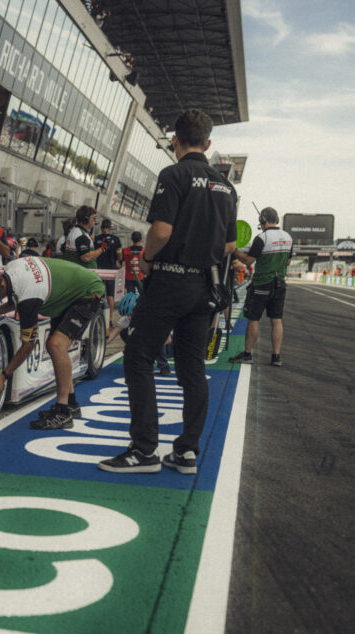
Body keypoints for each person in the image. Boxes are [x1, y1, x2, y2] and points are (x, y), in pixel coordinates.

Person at [98, 109, 237, 475]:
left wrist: (146, 261)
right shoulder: (227, 187)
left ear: (174, 141)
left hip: (168, 281)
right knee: (192, 367)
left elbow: (160, 232)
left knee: (139, 358)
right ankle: (187, 451)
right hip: (204, 287)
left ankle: (144, 450)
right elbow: (229, 245)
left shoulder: (173, 174)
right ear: (207, 144)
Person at [0, 257, 104, 429]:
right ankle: (71, 404)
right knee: (54, 345)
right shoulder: (10, 269)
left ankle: (63, 412)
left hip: (88, 292)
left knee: (56, 345)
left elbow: (28, 346)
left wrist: (5, 375)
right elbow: (15, 294)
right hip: (69, 290)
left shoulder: (28, 299)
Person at [229, 207, 293, 367]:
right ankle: (276, 356)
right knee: (276, 320)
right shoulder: (288, 237)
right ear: (276, 220)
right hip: (280, 284)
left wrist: (235, 251)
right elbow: (288, 261)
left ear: (262, 220)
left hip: (262, 283)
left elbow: (248, 261)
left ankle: (248, 354)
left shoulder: (262, 238)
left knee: (253, 319)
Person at [95, 218, 122, 328]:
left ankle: (97, 317)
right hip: (111, 270)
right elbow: (120, 255)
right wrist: (117, 261)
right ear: (110, 228)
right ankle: (109, 320)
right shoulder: (116, 239)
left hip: (99, 269)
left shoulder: (96, 239)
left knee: (98, 294)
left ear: (101, 228)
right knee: (110, 296)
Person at [60, 205, 106, 269]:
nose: (95, 221)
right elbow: (86, 257)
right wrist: (102, 249)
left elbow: (63, 248)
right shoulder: (82, 236)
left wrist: (88, 242)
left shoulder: (74, 232)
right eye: (93, 218)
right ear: (85, 220)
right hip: (83, 274)